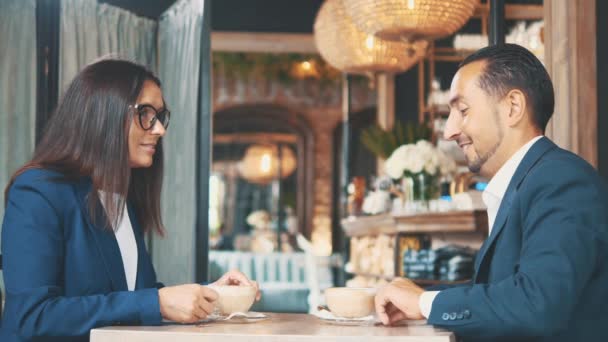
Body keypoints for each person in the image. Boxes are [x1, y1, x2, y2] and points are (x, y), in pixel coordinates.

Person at [0, 59, 260, 342]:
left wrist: (211, 295)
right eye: (146, 113)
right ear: (103, 114)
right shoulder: (39, 191)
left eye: (160, 116)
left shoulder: (120, 198)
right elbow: (31, 316)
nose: (159, 129)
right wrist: (157, 302)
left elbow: (127, 299)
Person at [374, 43, 608, 341]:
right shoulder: (532, 180)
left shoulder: (561, 180)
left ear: (513, 107)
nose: (449, 131)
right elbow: (505, 292)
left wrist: (423, 303)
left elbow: (537, 303)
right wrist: (420, 298)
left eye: (462, 110)